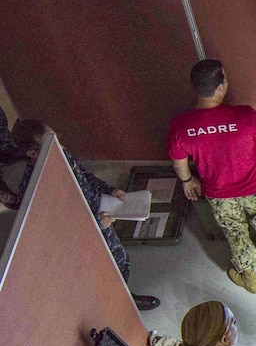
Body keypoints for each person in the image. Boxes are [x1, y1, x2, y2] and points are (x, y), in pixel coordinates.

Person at [168, 59, 256, 294]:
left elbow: (179, 163)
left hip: (220, 195)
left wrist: (188, 181)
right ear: (220, 88)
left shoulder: (181, 126)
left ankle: (249, 278)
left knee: (235, 233)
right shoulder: (244, 115)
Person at [10, 120, 160, 311]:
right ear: (32, 153)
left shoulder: (59, 153)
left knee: (119, 260)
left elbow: (84, 176)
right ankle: (111, 307)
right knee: (98, 273)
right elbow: (56, 229)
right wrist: (98, 224)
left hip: (96, 214)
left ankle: (123, 298)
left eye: (56, 138)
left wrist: (110, 190)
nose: (59, 145)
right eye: (51, 142)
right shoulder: (35, 188)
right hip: (81, 239)